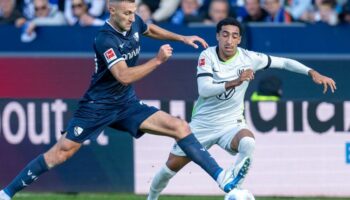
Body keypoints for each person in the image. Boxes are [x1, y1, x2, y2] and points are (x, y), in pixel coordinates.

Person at [0, 1, 244, 200]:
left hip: (126, 104)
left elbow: (149, 28)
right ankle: (7, 193)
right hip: (97, 107)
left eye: (134, 11)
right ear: (111, 9)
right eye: (127, 12)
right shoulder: (104, 39)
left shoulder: (133, 20)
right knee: (60, 153)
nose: (131, 17)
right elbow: (123, 75)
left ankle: (225, 182)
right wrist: (157, 61)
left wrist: (181, 38)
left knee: (179, 127)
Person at [147, 17, 336, 200]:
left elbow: (284, 62)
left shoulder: (249, 58)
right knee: (170, 168)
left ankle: (234, 188)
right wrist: (236, 81)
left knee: (248, 142)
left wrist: (312, 72)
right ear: (217, 36)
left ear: (239, 39)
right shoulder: (207, 55)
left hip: (231, 123)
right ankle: (152, 197)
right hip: (202, 125)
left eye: (234, 36)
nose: (229, 41)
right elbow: (204, 90)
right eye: (225, 35)